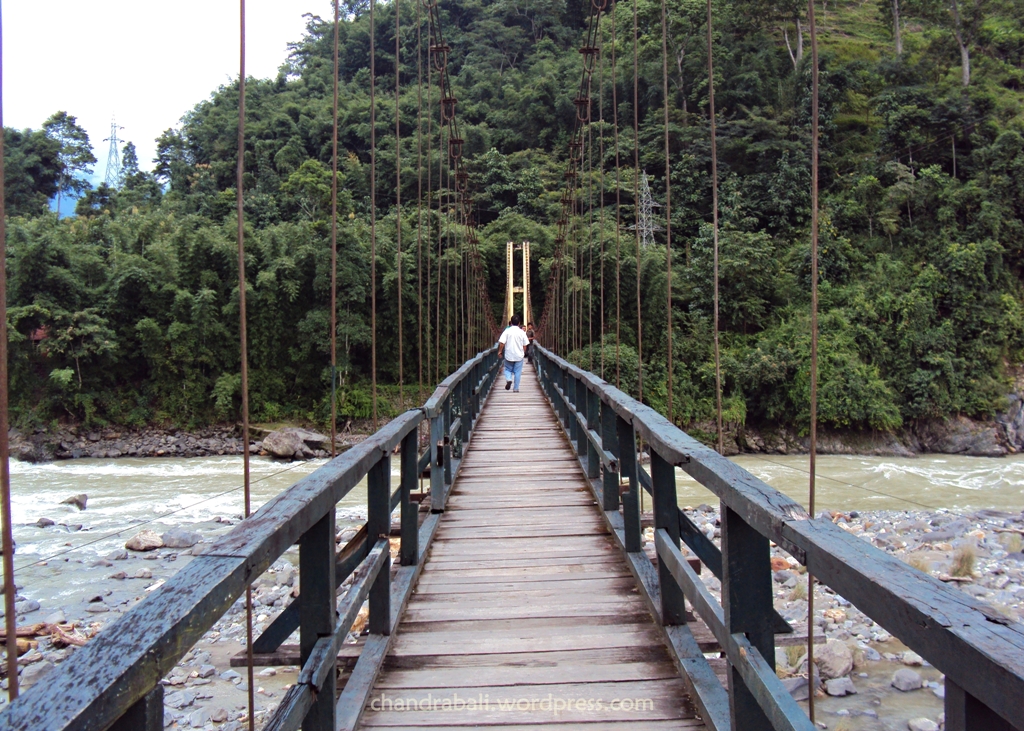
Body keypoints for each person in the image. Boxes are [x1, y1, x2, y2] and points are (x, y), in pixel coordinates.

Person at [497, 314, 530, 392]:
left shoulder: (507, 331)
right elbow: (525, 345)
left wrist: (500, 351)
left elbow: (502, 343)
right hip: (519, 356)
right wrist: (523, 352)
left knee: (507, 369)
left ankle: (509, 379)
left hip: (509, 355)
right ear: (519, 323)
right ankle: (516, 388)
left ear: (511, 322)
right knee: (517, 372)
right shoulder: (522, 332)